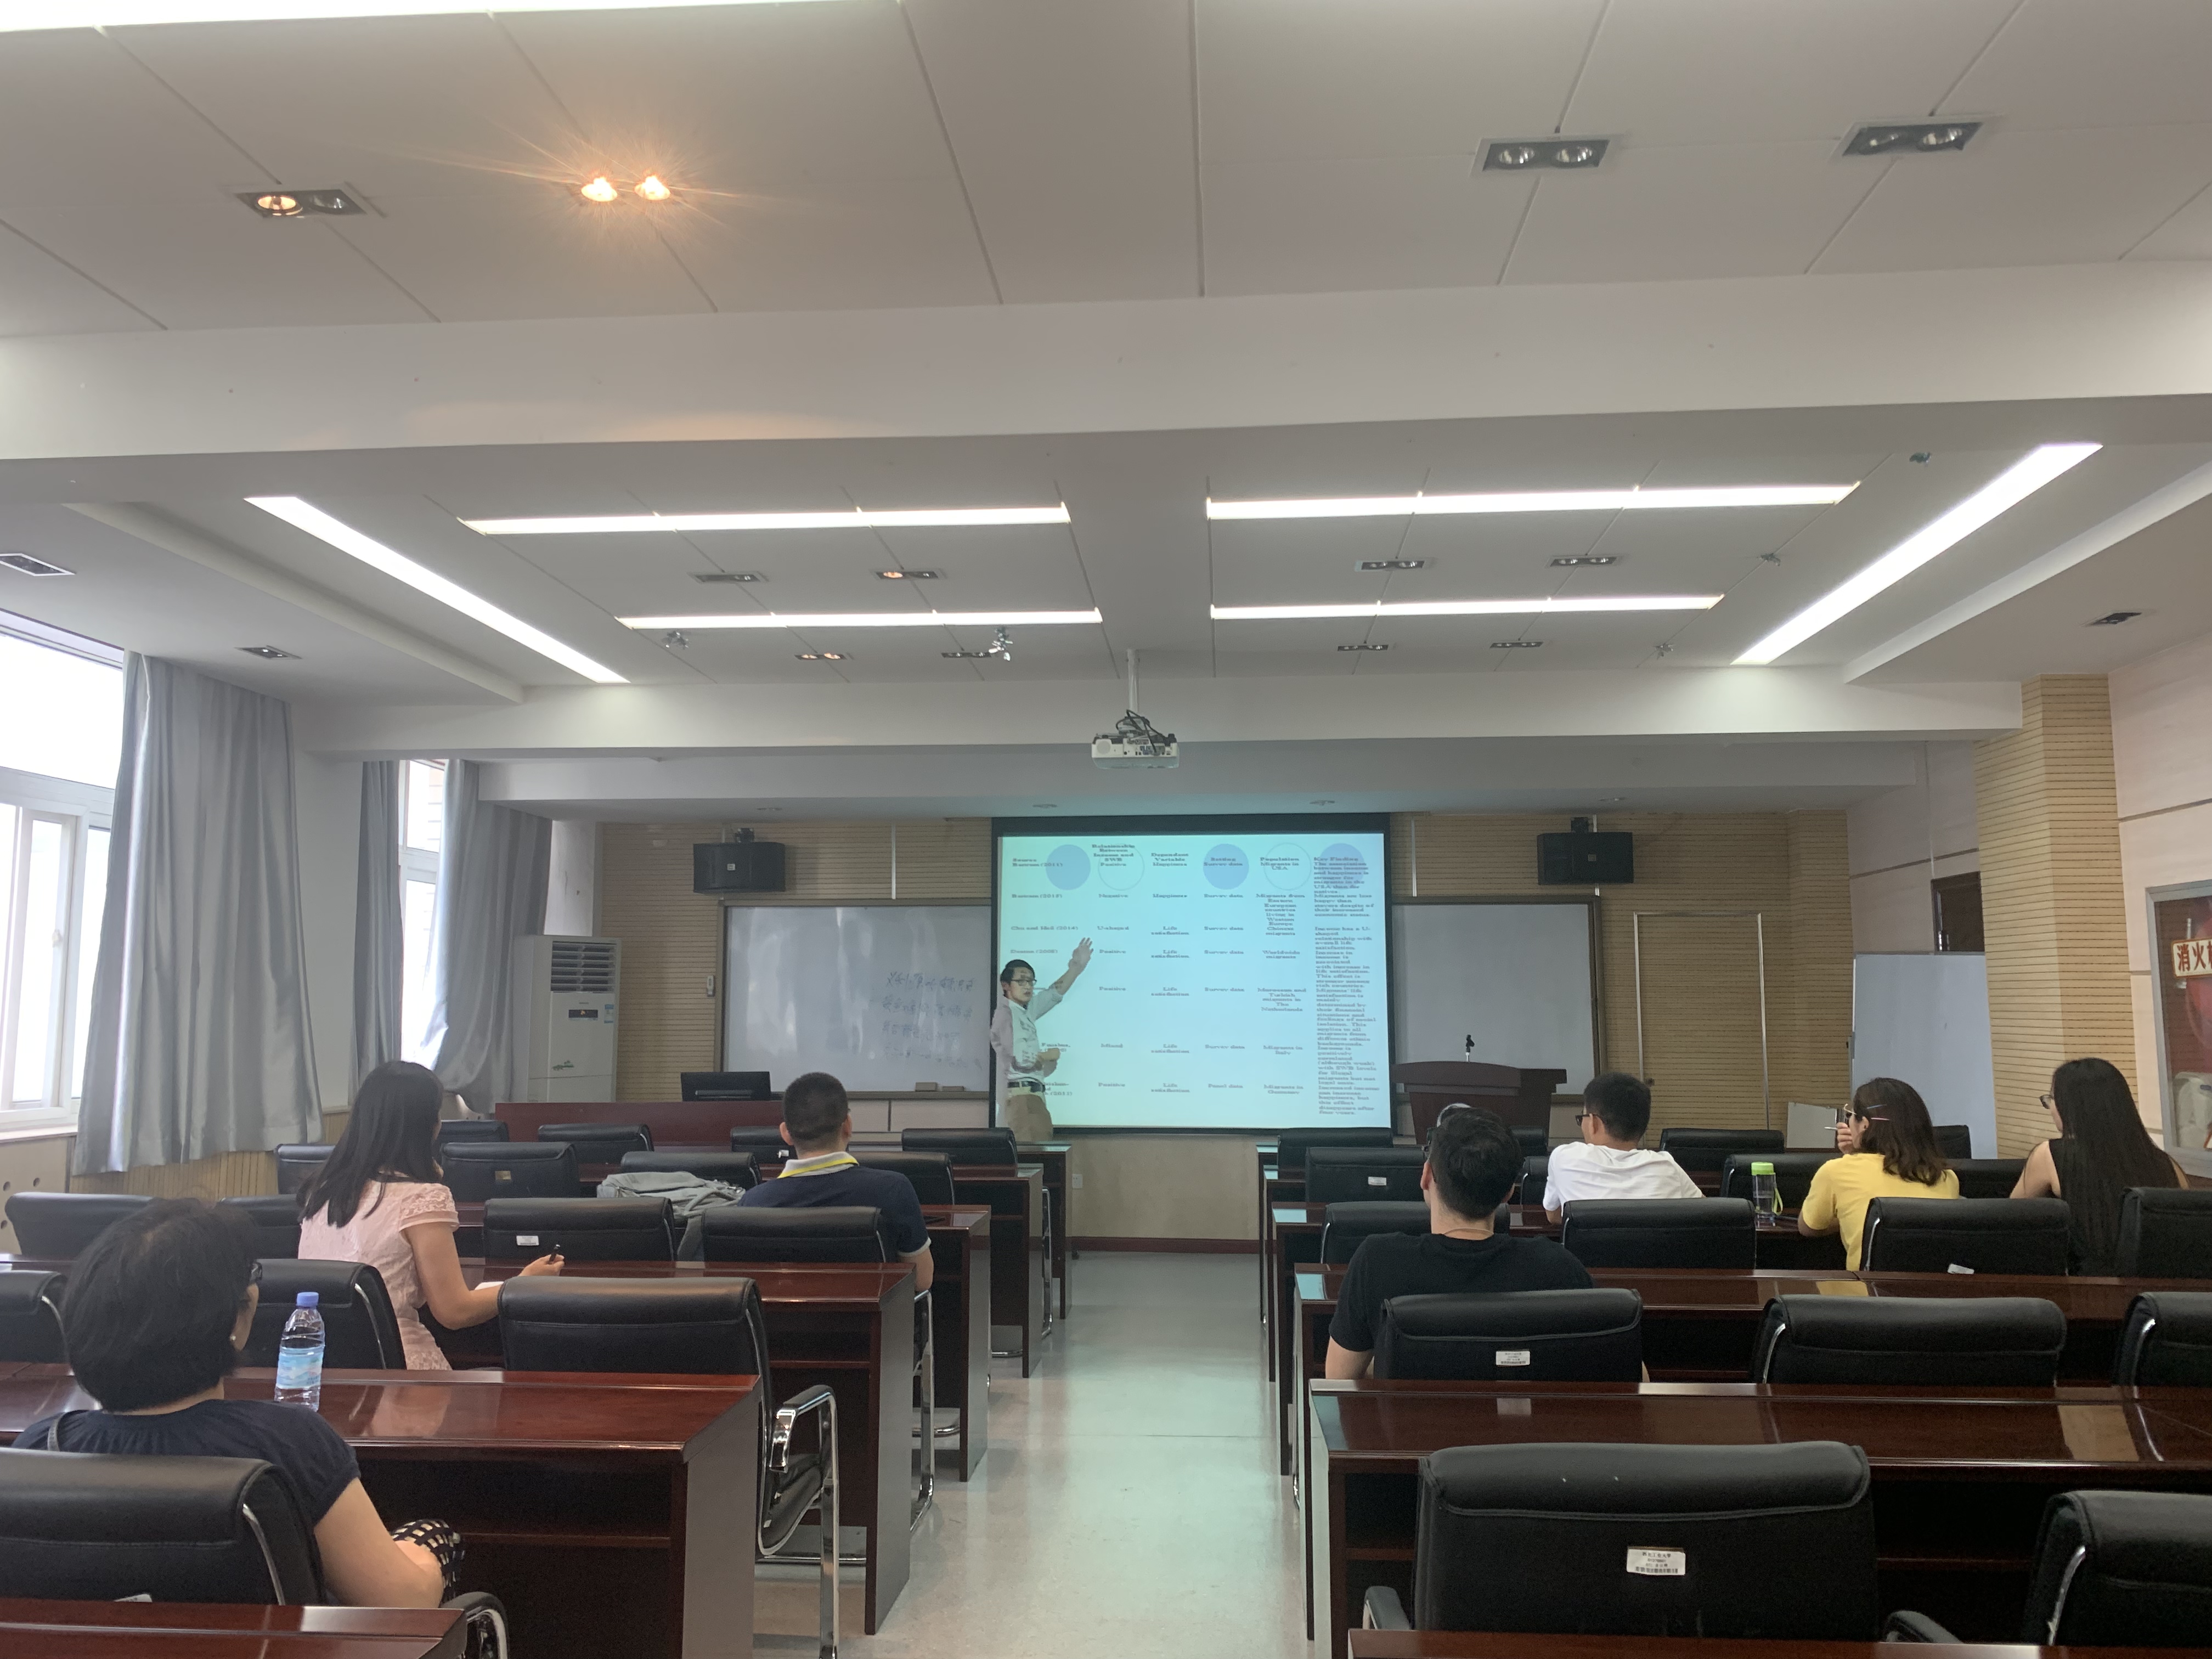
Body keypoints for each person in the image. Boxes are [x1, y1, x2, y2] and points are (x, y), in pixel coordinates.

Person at [17, 1198, 454, 1607]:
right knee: (432, 1537)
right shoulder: (289, 1440)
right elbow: (401, 1602)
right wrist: (428, 1549)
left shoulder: (41, 1449)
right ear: (238, 1317)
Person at [297, 1061, 561, 1370]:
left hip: (323, 1365)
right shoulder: (421, 1198)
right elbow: (455, 1312)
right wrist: (524, 1282)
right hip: (398, 1368)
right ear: (426, 1126)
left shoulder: (321, 1191)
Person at [1325, 1105, 1592, 1379]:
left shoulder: (1377, 1261)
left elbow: (1339, 1379)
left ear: (1426, 1177)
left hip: (1412, 1409)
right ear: (1509, 1192)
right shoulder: (1560, 1267)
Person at [736, 1071, 934, 1293]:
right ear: (848, 1125)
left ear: (786, 1134)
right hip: (871, 1315)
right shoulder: (893, 1189)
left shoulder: (753, 1203)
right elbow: (921, 1280)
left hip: (781, 1315)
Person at [2010, 1057, 2185, 1274]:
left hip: (2088, 1287)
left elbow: (2010, 1221)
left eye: (2052, 1099)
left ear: (2070, 1106)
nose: (2051, 1108)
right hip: (2163, 1288)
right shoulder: (2165, 1162)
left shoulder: (2049, 1155)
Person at [1798, 1077, 1960, 1269]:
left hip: (1867, 1287)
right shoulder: (1946, 1177)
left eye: (1851, 1115)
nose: (1849, 1121)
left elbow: (1810, 1227)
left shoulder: (1836, 1172)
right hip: (1931, 1287)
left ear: (1865, 1125)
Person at [1543, 1072, 1701, 1221]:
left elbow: (1554, 1216)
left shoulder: (1565, 1157)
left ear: (1594, 1122)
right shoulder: (1667, 1166)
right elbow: (1704, 1215)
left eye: (1582, 1117)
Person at [991, 943, 1091, 1134]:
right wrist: (1048, 1056)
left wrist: (1076, 968)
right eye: (1021, 981)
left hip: (1030, 1097)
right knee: (1033, 1151)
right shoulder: (1007, 1015)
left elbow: (1053, 994)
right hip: (1023, 1099)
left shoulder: (1024, 1010)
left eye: (1031, 981)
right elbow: (1020, 1058)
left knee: (1038, 1150)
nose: (1028, 986)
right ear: (1006, 985)